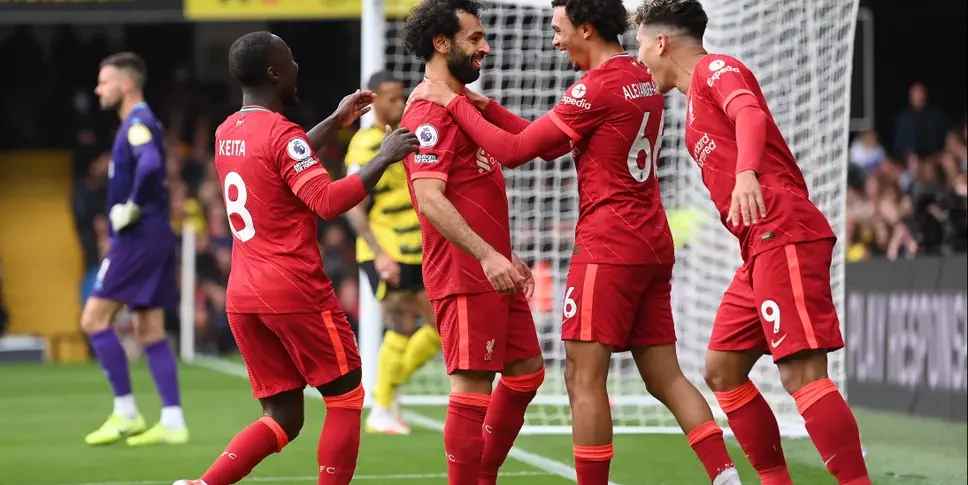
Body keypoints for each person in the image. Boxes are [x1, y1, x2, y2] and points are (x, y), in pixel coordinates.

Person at [407, 1, 740, 483]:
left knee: (583, 378)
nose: (555, 40)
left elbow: (517, 151)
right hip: (652, 240)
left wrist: (456, 102)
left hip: (607, 246)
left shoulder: (594, 87)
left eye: (559, 29)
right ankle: (725, 474)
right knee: (665, 376)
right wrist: (485, 107)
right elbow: (549, 145)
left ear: (585, 29)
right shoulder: (643, 77)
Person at [633, 1, 872, 484]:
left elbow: (748, 113)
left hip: (783, 229)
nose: (638, 58)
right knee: (722, 367)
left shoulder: (716, 68)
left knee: (801, 373)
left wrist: (746, 173)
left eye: (639, 45)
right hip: (758, 246)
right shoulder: (692, 108)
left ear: (661, 42)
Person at [172, 31, 419, 485]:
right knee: (345, 396)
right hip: (294, 288)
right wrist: (383, 157)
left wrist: (335, 120)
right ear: (274, 73)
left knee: (283, 414)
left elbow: (280, 157)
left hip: (244, 293)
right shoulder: (281, 134)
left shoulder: (227, 131)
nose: (297, 67)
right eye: (290, 60)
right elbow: (327, 201)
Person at [400, 2, 546, 483]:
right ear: (442, 44)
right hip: (466, 271)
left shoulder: (460, 104)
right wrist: (486, 254)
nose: (487, 47)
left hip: (494, 266)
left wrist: (503, 252)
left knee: (527, 373)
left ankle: (483, 476)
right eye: (475, 38)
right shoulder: (429, 112)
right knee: (471, 389)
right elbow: (430, 198)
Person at [83, 52, 188, 447]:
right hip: (156, 235)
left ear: (126, 84)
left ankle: (126, 412)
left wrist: (133, 205)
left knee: (94, 319)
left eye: (104, 82)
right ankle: (173, 421)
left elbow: (150, 164)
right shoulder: (140, 122)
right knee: (149, 328)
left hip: (139, 236)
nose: (98, 89)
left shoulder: (138, 122)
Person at [344, 70, 442, 435]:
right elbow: (354, 206)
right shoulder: (365, 144)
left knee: (439, 330)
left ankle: (386, 390)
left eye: (402, 97)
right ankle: (381, 408)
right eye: (392, 98)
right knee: (399, 326)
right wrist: (379, 253)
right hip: (386, 250)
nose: (399, 104)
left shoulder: (407, 136)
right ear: (374, 102)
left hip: (419, 249)